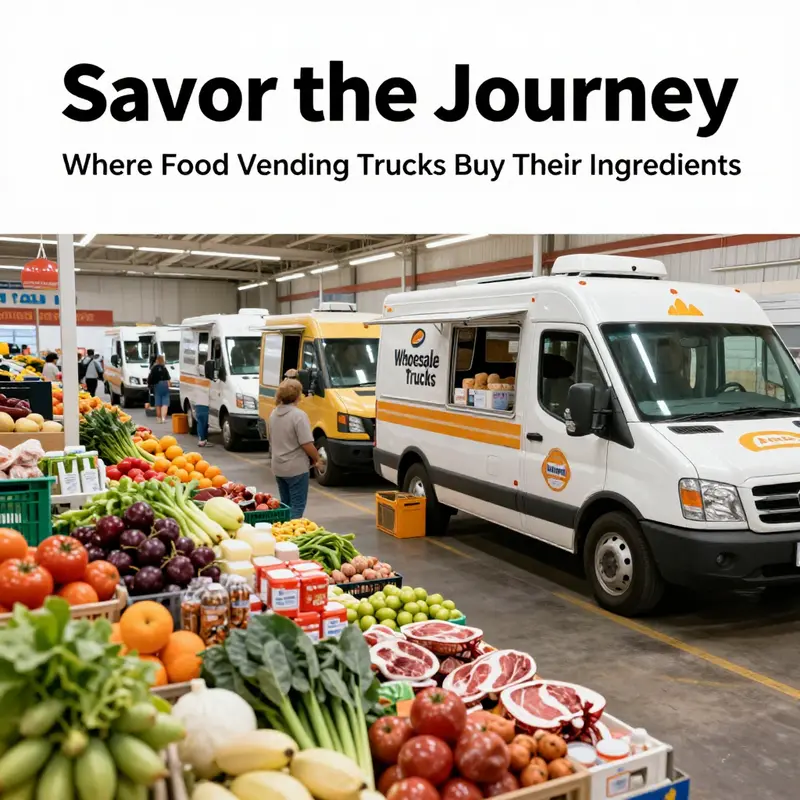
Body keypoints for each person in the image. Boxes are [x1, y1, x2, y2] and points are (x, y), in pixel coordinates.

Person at [268, 378, 320, 519]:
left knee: (285, 504)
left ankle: (282, 531)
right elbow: (306, 443)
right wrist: (317, 458)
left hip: (278, 467)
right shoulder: (298, 415)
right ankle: (292, 533)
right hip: (296, 468)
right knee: (297, 506)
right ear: (298, 395)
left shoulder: (274, 414)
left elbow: (271, 439)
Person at [147, 354, 171, 423]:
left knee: (158, 403)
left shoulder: (154, 368)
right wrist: (168, 385)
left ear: (157, 360)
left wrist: (149, 385)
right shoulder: (164, 368)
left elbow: (150, 377)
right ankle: (163, 418)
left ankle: (158, 418)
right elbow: (168, 378)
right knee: (165, 402)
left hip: (157, 385)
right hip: (164, 384)